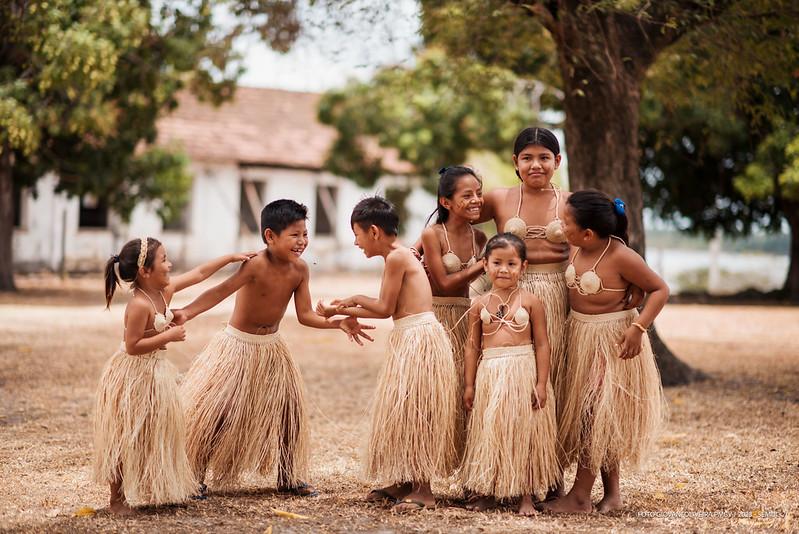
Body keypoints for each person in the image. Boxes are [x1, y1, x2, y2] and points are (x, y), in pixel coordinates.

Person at [172, 199, 374, 497]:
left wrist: (337, 323)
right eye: (294, 235)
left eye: (305, 234)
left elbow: (305, 315)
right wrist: (187, 313)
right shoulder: (255, 264)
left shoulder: (300, 270)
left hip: (272, 349)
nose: (302, 242)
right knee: (218, 411)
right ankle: (194, 476)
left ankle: (289, 476)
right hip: (238, 347)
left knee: (289, 411)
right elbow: (220, 291)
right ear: (270, 236)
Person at [316, 196, 458, 512]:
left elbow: (383, 308)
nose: (355, 242)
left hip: (418, 337)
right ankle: (405, 481)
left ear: (375, 232)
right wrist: (340, 309)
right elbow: (387, 307)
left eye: (357, 234)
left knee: (419, 412)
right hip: (410, 335)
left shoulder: (396, 258)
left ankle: (424, 490)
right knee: (405, 409)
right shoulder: (398, 255)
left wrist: (346, 301)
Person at [95, 237, 253, 514]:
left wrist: (229, 258)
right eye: (164, 260)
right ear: (145, 271)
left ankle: (160, 487)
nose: (170, 265)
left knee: (161, 430)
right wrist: (169, 334)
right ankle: (116, 499)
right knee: (126, 434)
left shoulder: (165, 290)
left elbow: (199, 274)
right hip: (132, 375)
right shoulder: (138, 306)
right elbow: (132, 347)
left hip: (156, 372)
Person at [542, 190, 667, 514]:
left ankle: (580, 497)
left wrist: (638, 328)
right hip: (580, 336)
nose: (560, 225)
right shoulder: (575, 246)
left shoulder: (620, 255)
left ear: (587, 232)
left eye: (566, 222)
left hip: (610, 343)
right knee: (600, 417)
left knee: (593, 416)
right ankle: (612, 496)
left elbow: (659, 289)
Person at [460, 233, 559, 515]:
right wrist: (469, 385)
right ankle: (490, 490)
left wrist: (541, 383)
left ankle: (526, 496)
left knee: (524, 432)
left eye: (511, 264)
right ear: (485, 265)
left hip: (522, 370)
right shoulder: (479, 304)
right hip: (491, 371)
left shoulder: (531, 301)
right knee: (492, 430)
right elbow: (471, 347)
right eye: (497, 262)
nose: (503, 269)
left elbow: (542, 343)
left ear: (523, 267)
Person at [419, 166, 487, 460]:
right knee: (433, 392)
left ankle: (464, 464)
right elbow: (444, 282)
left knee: (464, 391)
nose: (476, 200)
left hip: (465, 315)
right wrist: (481, 265)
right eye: (467, 195)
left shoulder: (480, 238)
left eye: (479, 193)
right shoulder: (432, 235)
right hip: (435, 315)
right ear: (446, 202)